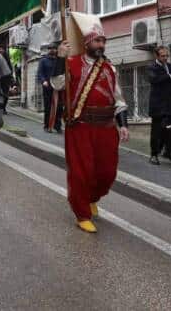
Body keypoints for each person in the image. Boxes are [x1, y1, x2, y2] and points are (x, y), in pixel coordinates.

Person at [50, 13, 130, 233]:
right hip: (81, 126)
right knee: (81, 171)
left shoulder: (109, 68)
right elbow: (56, 84)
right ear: (87, 43)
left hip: (106, 127)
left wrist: (122, 124)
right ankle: (82, 212)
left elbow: (119, 99)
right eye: (97, 40)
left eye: (103, 41)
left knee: (107, 172)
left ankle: (92, 197)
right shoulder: (72, 63)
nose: (101, 44)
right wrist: (59, 58)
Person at [148, 45, 171, 165]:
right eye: (163, 56)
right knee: (158, 131)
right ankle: (154, 154)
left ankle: (169, 151)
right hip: (158, 104)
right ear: (156, 56)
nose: (165, 58)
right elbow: (154, 80)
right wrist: (167, 76)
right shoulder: (152, 67)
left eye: (167, 56)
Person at [36, 43, 63, 134]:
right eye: (51, 48)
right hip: (47, 87)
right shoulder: (43, 60)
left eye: (54, 48)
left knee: (58, 107)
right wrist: (43, 81)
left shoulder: (59, 61)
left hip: (58, 87)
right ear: (48, 50)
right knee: (48, 107)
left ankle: (57, 126)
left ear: (56, 50)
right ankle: (47, 125)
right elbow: (40, 73)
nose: (52, 50)